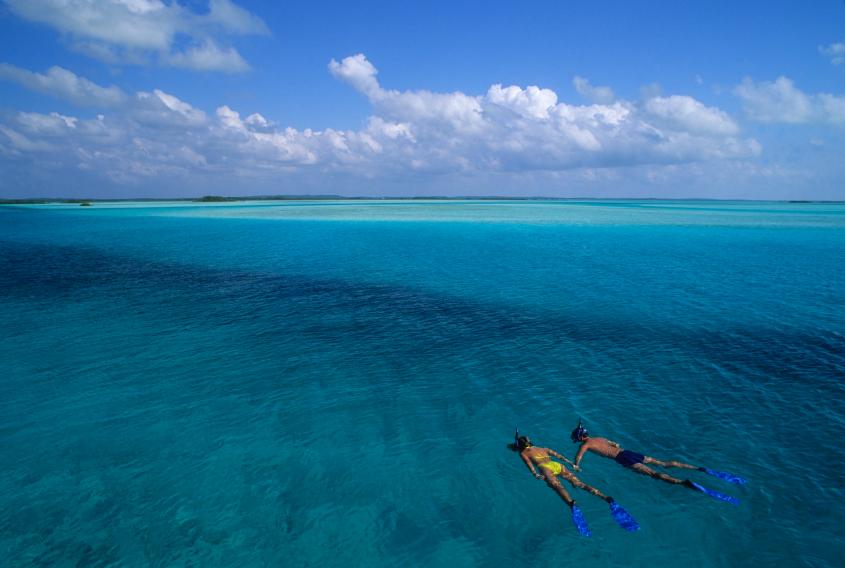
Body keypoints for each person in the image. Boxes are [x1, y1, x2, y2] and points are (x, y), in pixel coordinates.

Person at [511, 432, 641, 534]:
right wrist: (572, 464)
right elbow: (559, 456)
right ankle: (606, 498)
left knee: (558, 487)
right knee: (580, 483)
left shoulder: (523, 453)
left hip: (545, 468)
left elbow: (529, 464)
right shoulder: (543, 448)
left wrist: (535, 474)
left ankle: (572, 504)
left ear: (521, 446)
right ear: (529, 442)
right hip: (557, 464)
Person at [569, 420, 736, 493]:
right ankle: (696, 468)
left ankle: (681, 482)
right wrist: (613, 447)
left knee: (654, 474)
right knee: (662, 463)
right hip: (628, 452)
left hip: (623, 459)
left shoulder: (586, 445)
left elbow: (580, 456)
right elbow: (616, 444)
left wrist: (576, 465)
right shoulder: (600, 438)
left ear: (580, 438)